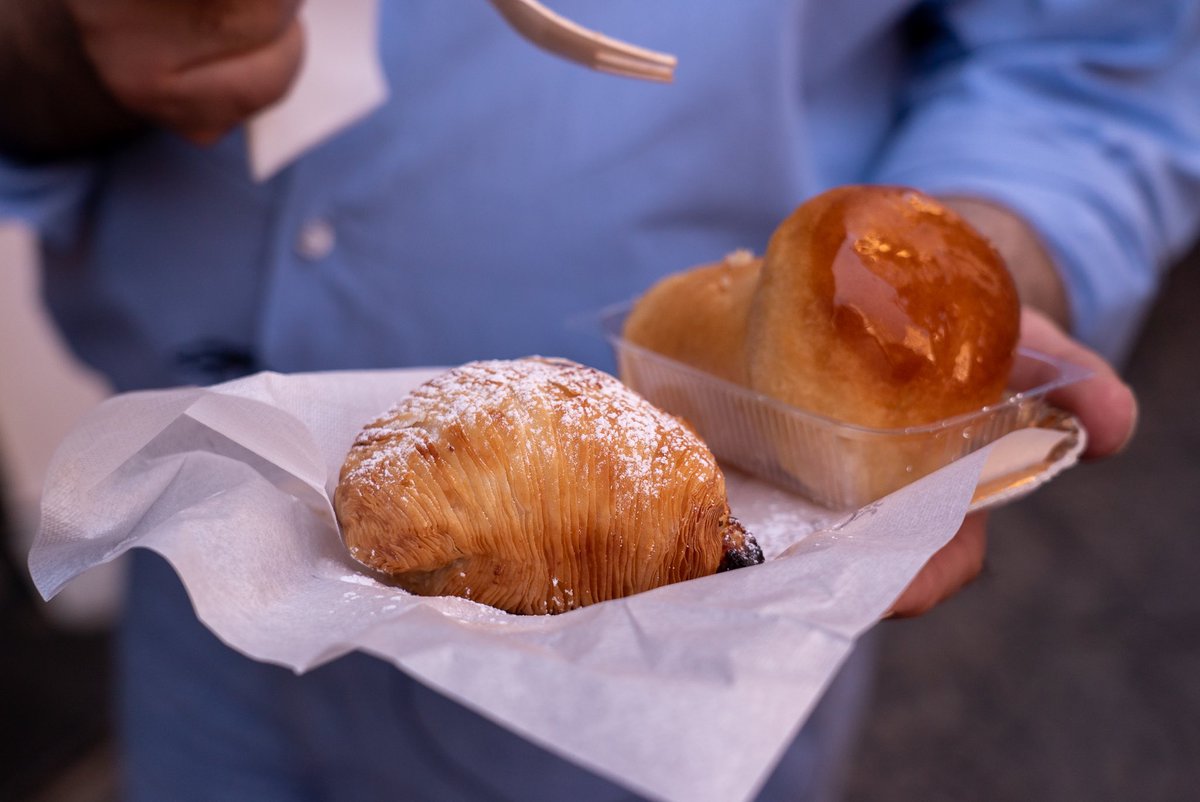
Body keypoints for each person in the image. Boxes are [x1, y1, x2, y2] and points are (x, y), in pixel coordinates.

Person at [1, 1, 1194, 799]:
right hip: (212, 581)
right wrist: (53, 46)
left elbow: (1089, 65)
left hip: (678, 654)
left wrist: (963, 300)